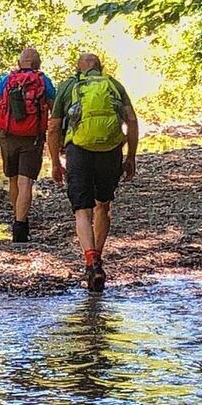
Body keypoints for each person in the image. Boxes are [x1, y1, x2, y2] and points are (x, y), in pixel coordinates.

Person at [47, 53, 138, 293]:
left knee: (81, 210)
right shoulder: (114, 85)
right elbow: (132, 120)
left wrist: (56, 161)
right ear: (100, 67)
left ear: (79, 68)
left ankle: (91, 262)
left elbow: (54, 127)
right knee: (103, 206)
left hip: (79, 150)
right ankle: (98, 254)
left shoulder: (69, 86)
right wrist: (131, 157)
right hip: (110, 150)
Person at [0, 47, 56, 243]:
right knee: (26, 182)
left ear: (19, 63)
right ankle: (20, 226)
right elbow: (55, 111)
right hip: (32, 137)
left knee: (13, 180)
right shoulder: (43, 81)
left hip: (7, 136)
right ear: (38, 64)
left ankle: (15, 218)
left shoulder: (6, 80)